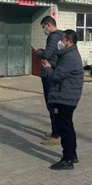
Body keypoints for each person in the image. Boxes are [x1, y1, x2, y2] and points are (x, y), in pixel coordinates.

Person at [41, 29, 84, 170]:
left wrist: (47, 69)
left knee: (64, 129)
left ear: (69, 42)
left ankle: (67, 159)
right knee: (68, 127)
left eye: (62, 40)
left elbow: (56, 76)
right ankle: (72, 155)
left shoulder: (70, 57)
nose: (60, 42)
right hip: (66, 96)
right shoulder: (68, 54)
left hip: (65, 97)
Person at [33, 16, 64, 146]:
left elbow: (47, 55)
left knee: (52, 104)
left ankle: (56, 135)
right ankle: (56, 131)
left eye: (43, 27)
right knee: (55, 105)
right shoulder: (61, 36)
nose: (44, 30)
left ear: (48, 25)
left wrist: (38, 52)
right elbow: (53, 52)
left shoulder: (53, 37)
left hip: (50, 74)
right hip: (56, 73)